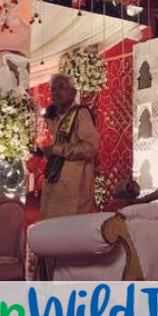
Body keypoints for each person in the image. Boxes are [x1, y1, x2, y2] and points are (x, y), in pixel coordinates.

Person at [34, 74, 99, 220]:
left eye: (61, 87)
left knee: (67, 229)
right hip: (55, 186)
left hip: (73, 191)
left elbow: (91, 147)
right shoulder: (55, 116)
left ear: (73, 92)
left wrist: (56, 150)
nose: (56, 92)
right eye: (53, 89)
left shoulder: (80, 114)